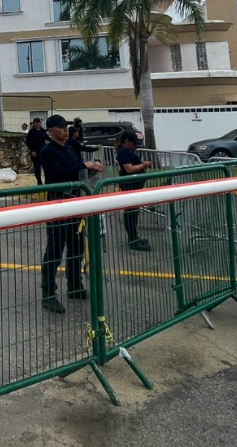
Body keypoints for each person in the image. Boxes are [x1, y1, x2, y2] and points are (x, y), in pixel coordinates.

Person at [36, 114, 102, 314]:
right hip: (57, 205)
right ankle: (48, 294)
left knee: (76, 248)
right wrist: (84, 166)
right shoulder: (47, 152)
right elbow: (58, 174)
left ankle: (75, 285)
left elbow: (77, 173)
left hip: (75, 204)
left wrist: (92, 169)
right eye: (61, 127)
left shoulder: (72, 149)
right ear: (51, 131)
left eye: (66, 127)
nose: (65, 130)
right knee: (55, 250)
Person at [116, 131, 153, 250]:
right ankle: (132, 239)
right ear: (127, 141)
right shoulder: (122, 152)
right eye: (133, 143)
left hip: (135, 186)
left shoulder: (127, 151)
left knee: (134, 213)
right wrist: (143, 166)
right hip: (130, 186)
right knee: (130, 213)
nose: (135, 146)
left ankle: (134, 236)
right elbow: (129, 169)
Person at [25, 117, 48, 184]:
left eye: (39, 123)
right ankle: (39, 181)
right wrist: (32, 150)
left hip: (43, 151)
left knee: (46, 167)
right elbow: (28, 142)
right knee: (37, 168)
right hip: (36, 152)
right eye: (36, 123)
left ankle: (47, 181)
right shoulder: (31, 132)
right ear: (34, 124)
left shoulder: (42, 131)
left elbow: (47, 138)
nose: (38, 124)